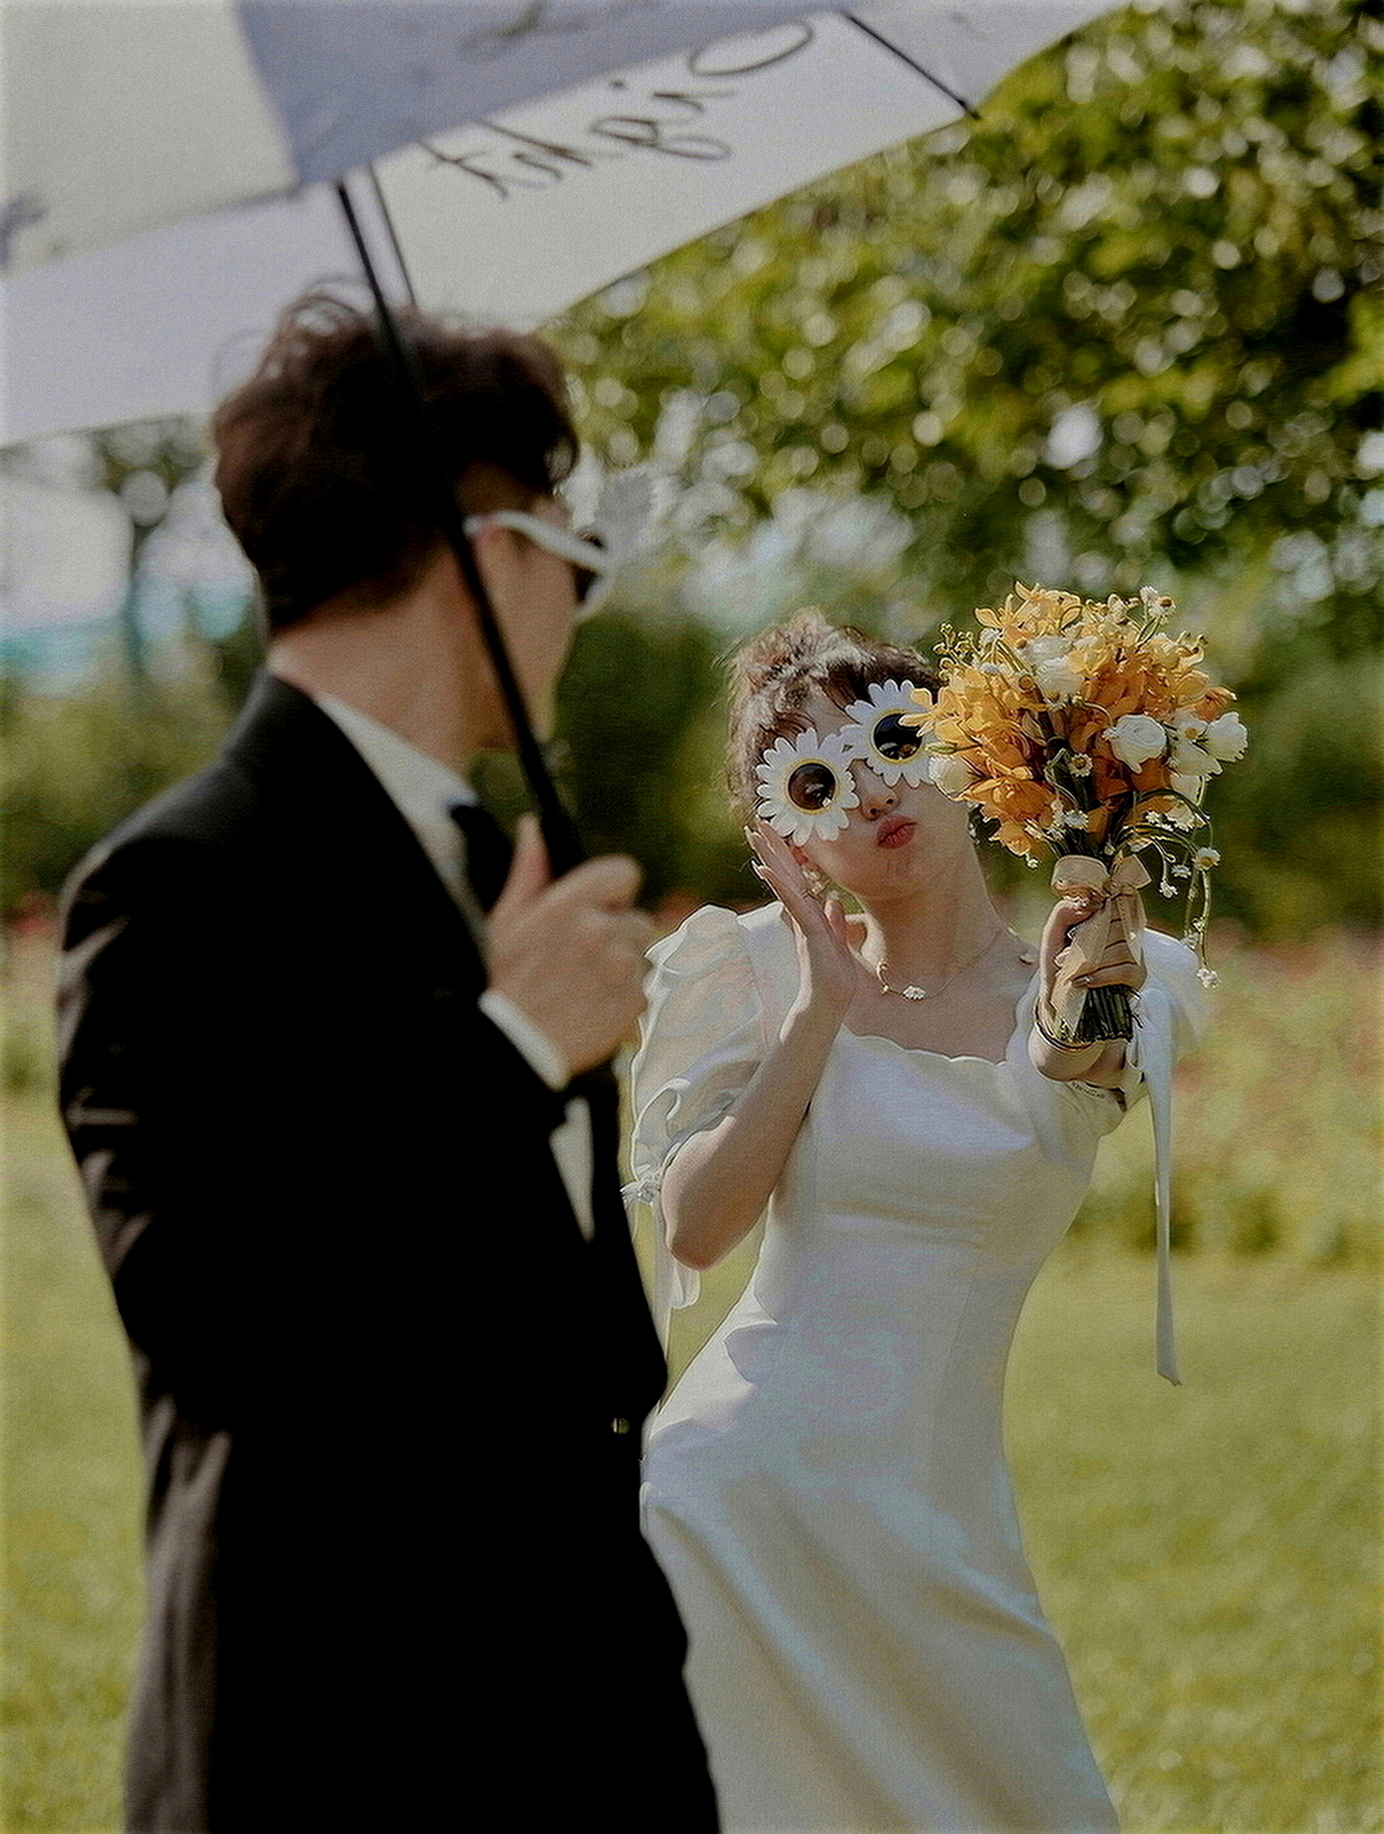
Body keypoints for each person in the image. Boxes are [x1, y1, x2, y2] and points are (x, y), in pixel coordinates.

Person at [57, 296, 717, 1832]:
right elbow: (222, 1332)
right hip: (338, 1727)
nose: (580, 605)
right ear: (492, 553)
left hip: (587, 1705)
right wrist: (509, 1049)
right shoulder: (175, 888)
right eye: (574, 558)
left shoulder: (491, 863)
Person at [630, 610, 1207, 1833]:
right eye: (819, 782)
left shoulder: (1102, 971)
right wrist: (817, 1011)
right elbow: (693, 1231)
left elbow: (1083, 1066)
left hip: (937, 1520)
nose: (874, 790)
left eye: (895, 740)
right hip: (728, 1492)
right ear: (786, 840)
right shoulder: (760, 973)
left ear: (972, 751)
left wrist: (1092, 877)